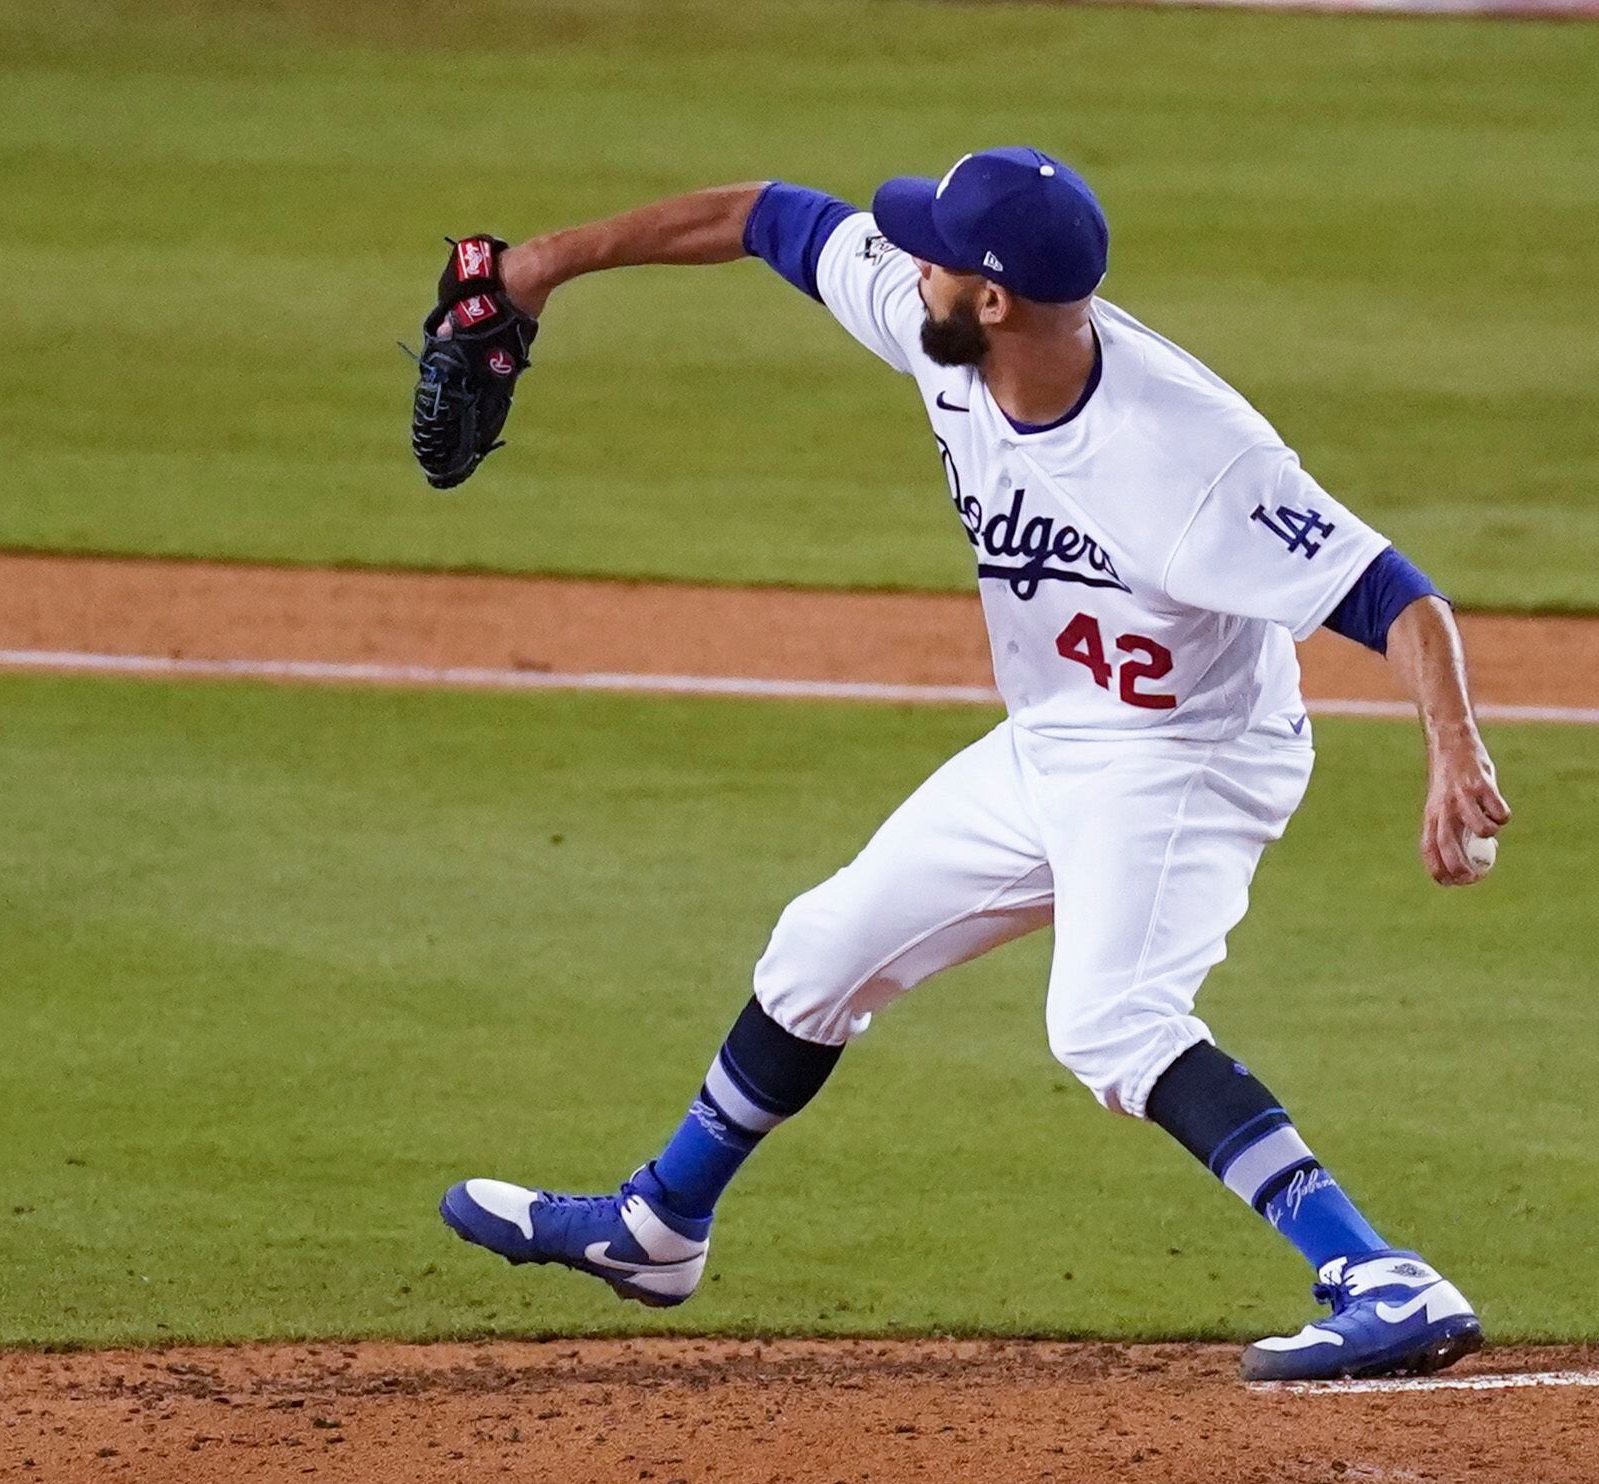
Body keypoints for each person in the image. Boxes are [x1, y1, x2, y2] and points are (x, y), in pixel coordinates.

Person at [437, 148, 1511, 1381]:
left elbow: (1392, 593)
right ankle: (656, 1227)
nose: (912, 263)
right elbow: (761, 217)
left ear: (993, 300)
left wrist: (1449, 745)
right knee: (820, 950)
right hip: (1052, 737)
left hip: (1185, 758)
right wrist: (537, 269)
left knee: (1110, 1022)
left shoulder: (1194, 456)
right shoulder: (939, 324)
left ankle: (1379, 1274)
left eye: (938, 252)